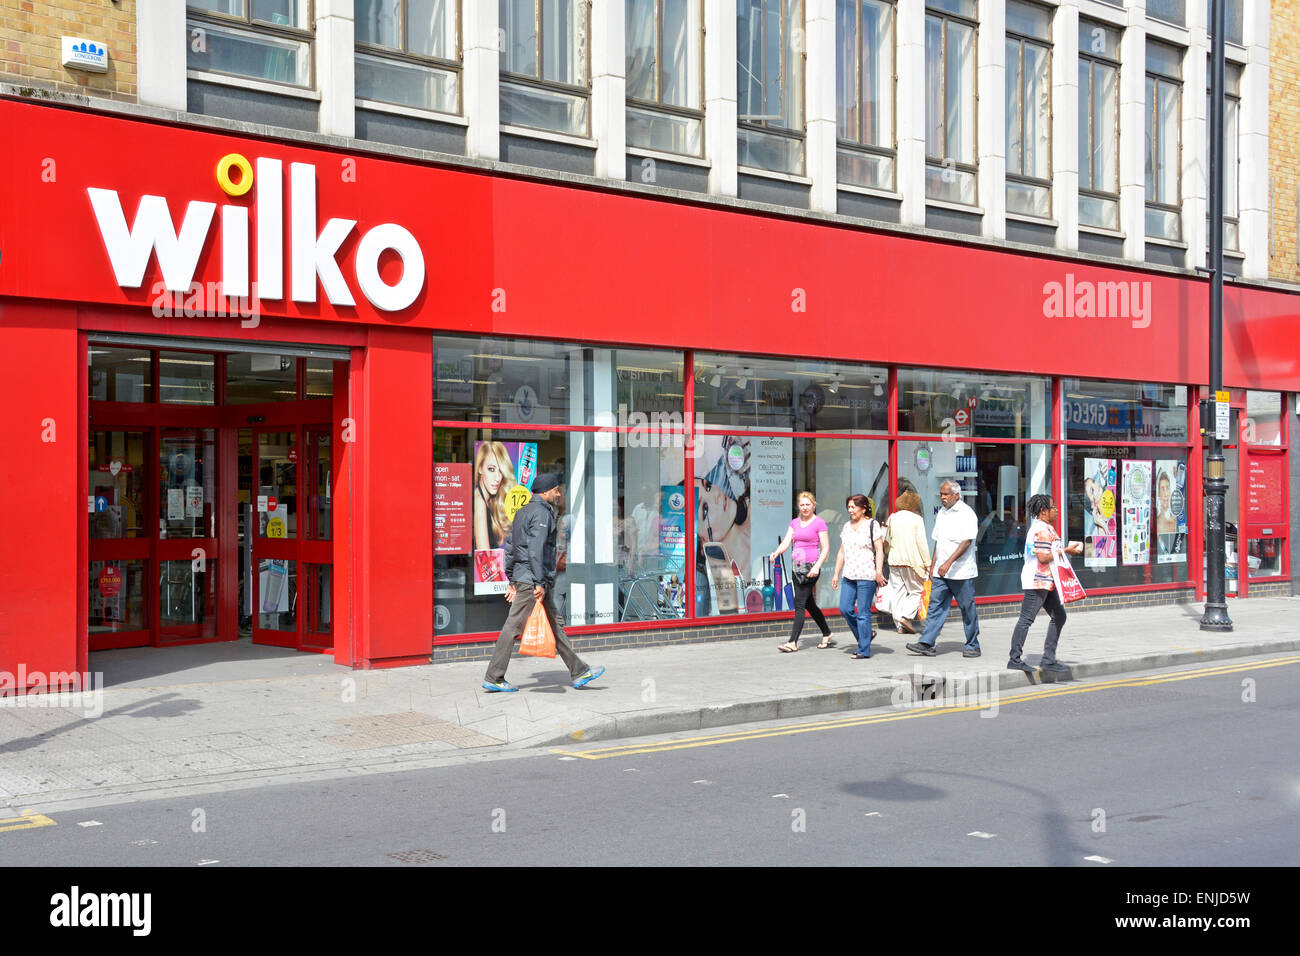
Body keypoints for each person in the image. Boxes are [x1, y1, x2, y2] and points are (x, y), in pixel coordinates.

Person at [482, 472, 605, 692]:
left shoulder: (522, 512)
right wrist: (538, 582)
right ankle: (494, 676)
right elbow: (536, 550)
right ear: (547, 491)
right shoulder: (541, 513)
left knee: (555, 624)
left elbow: (510, 547)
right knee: (512, 627)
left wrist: (512, 577)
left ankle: (579, 671)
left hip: (528, 578)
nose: (558, 494)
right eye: (556, 490)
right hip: (533, 581)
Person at [906, 479, 981, 658]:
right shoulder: (942, 513)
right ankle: (927, 643)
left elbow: (967, 542)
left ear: (957, 495)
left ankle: (973, 644)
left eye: (946, 494)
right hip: (941, 571)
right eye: (941, 494)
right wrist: (934, 565)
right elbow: (938, 542)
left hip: (961, 572)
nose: (943, 497)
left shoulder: (966, 513)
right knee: (935, 606)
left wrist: (948, 563)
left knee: (967, 608)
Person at [1008, 494, 1082, 673]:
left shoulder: (1045, 528)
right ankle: (1014, 659)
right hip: (1037, 582)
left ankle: (1048, 659)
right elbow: (1042, 558)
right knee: (1026, 619)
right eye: (1053, 507)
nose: (1056, 510)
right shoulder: (1041, 530)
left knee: (1060, 616)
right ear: (1043, 511)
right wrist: (1067, 550)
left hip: (1047, 582)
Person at [770, 491, 832, 652]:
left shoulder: (819, 523)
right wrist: (777, 552)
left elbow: (825, 548)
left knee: (799, 604)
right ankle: (827, 632)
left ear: (813, 505)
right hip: (796, 568)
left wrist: (817, 566)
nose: (805, 507)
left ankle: (792, 642)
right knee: (809, 604)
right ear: (798, 506)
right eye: (802, 504)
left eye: (808, 504)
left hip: (811, 568)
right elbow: (786, 541)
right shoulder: (794, 523)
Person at [831, 494, 886, 658]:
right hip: (849, 575)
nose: (850, 510)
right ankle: (866, 635)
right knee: (845, 608)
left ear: (863, 508)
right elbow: (842, 552)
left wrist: (879, 572)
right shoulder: (847, 526)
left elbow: (880, 551)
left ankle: (864, 649)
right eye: (848, 507)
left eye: (853, 507)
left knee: (863, 613)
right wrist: (836, 573)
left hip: (867, 576)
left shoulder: (872, 525)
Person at [881, 489, 931, 634]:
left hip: (894, 560)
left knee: (898, 591)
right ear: (914, 505)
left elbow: (887, 540)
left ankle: (899, 625)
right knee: (917, 590)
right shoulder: (917, 519)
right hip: (912, 560)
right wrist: (927, 563)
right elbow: (921, 543)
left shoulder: (892, 517)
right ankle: (906, 617)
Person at [473, 441, 517, 552]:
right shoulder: (479, 501)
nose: (497, 478)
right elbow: (484, 555)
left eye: (501, 471)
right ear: (480, 469)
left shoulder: (490, 500)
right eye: (491, 469)